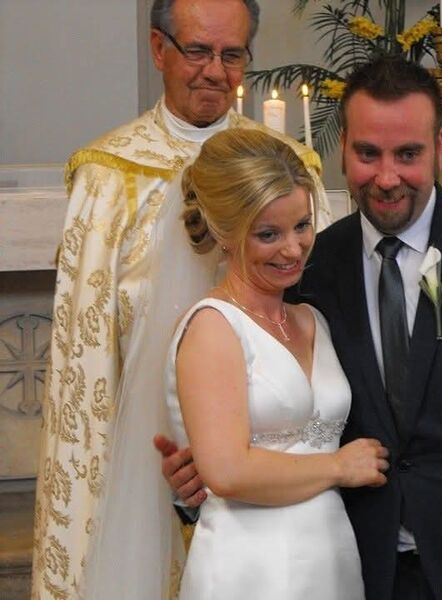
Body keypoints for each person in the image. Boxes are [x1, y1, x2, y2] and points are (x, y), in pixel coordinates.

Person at [163, 56, 442, 600]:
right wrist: (198, 477)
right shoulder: (309, 266)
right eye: (368, 153)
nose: (386, 177)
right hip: (359, 571)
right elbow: (275, 412)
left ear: (439, 146)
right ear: (342, 147)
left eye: (407, 154)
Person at [30, 1, 329, 598]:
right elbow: (85, 354)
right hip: (145, 454)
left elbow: (312, 326)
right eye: (197, 51)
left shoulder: (289, 167)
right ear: (158, 49)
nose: (215, 72)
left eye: (232, 54)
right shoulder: (110, 175)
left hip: (271, 465)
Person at [166, 129, 388, 599]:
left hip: (329, 555)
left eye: (302, 226)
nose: (293, 249)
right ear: (226, 234)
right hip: (251, 566)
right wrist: (338, 468)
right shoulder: (213, 327)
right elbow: (227, 472)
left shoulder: (312, 318)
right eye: (269, 234)